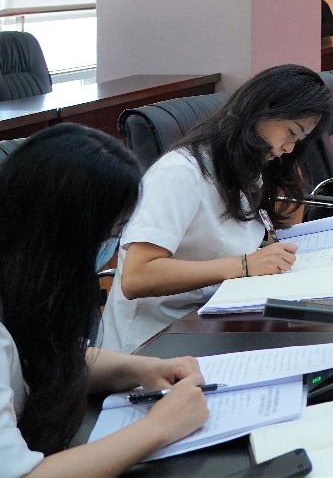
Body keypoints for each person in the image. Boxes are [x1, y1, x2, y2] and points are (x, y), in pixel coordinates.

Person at [0, 125, 208, 476]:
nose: (112, 249)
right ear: (60, 235)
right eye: (110, 234)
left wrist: (140, 369)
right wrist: (158, 427)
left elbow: (38, 357)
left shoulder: (21, 280)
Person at [103, 63, 333, 353]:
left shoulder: (247, 167)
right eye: (290, 132)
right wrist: (245, 266)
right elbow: (136, 277)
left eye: (299, 140)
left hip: (214, 316)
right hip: (154, 340)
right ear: (262, 110)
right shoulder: (180, 172)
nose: (290, 147)